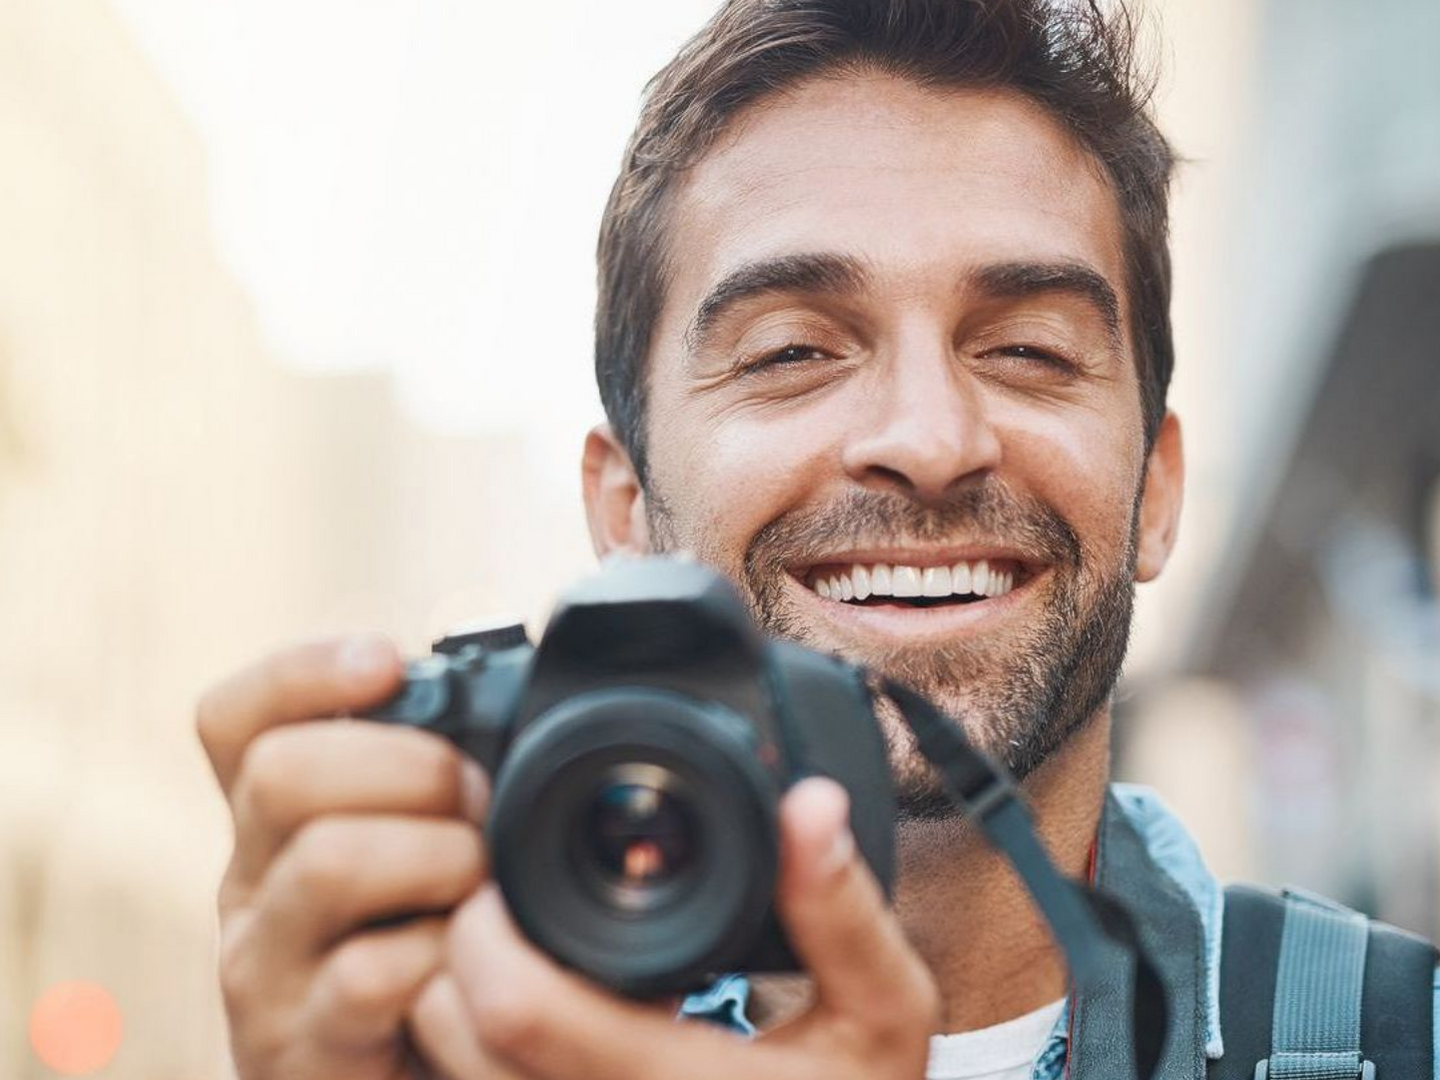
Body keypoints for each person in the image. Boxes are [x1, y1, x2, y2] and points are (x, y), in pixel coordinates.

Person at [193, 2, 1434, 1079]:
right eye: (792, 353)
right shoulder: (460, 1030)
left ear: (1155, 495)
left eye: (1029, 351)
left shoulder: (1407, 1039)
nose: (929, 436)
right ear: (625, 512)